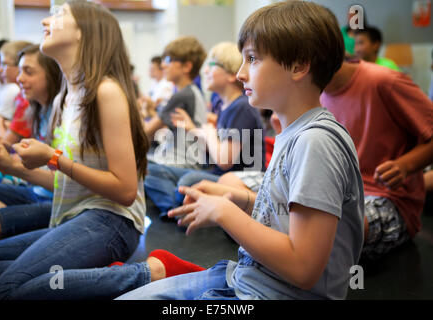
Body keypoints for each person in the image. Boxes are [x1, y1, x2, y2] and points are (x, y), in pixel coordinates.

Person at [117, 0, 364, 300]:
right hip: (247, 277)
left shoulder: (316, 142)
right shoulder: (297, 132)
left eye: (252, 59)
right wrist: (241, 200)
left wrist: (224, 213)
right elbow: (284, 216)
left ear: (298, 66)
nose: (241, 73)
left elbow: (303, 267)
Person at [0, 0, 149, 299]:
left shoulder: (105, 91)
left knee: (4, 292)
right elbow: (67, 181)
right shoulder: (65, 96)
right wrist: (16, 167)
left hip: (112, 220)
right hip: (73, 216)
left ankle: (146, 274)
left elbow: (125, 191)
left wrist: (53, 158)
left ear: (83, 33)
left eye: (59, 15)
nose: (47, 21)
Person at [321, 60, 433, 260]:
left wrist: (404, 166)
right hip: (335, 194)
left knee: (323, 232)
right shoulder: (312, 93)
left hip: (387, 199)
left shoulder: (385, 81)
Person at [145, 41, 265, 219]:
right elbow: (215, 148)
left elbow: (225, 160)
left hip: (236, 180)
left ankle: (179, 210)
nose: (205, 71)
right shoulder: (222, 104)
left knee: (188, 182)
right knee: (150, 171)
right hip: (216, 173)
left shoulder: (241, 107)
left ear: (232, 75)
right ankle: (180, 207)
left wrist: (208, 131)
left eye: (212, 65)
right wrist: (194, 129)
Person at [0, 44, 62, 242]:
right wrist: (11, 148)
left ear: (51, 75)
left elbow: (63, 182)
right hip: (36, 190)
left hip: (56, 200)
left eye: (28, 71)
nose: (19, 78)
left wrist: (12, 166)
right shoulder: (38, 110)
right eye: (19, 70)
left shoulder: (61, 114)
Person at [143, 35, 207, 170]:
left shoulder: (182, 96)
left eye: (168, 60)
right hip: (184, 160)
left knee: (138, 167)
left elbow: (147, 131)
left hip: (183, 162)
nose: (163, 65)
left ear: (187, 66)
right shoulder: (192, 91)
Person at [0, 41, 33, 137]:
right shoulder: (19, 95)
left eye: (4, 64)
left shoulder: (15, 92)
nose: (0, 69)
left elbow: (5, 140)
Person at [139, 56, 174, 120]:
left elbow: (154, 105)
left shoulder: (167, 84)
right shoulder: (154, 83)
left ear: (161, 70)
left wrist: (147, 101)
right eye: (150, 69)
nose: (150, 71)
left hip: (160, 115)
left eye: (153, 69)